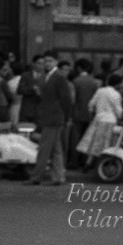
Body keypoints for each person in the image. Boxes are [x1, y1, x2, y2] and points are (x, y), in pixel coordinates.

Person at [23, 50, 71, 186]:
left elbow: (66, 99)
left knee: (44, 148)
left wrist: (66, 117)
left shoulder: (58, 77)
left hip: (54, 118)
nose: (47, 64)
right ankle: (58, 177)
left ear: (56, 62)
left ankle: (36, 177)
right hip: (51, 117)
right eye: (45, 61)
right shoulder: (48, 76)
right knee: (56, 149)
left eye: (50, 61)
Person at [76, 72, 123, 173]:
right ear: (118, 84)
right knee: (108, 145)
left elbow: (91, 104)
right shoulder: (116, 94)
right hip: (110, 121)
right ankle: (101, 165)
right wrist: (120, 118)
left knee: (95, 143)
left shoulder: (100, 91)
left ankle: (88, 163)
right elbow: (119, 111)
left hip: (98, 120)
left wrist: (93, 114)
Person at [67, 58, 99, 168]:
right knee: (88, 139)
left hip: (77, 113)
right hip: (90, 114)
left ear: (78, 68)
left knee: (75, 139)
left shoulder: (75, 81)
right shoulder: (94, 82)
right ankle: (86, 161)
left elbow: (72, 99)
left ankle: (74, 161)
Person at [18, 54, 45, 124]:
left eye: (43, 64)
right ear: (33, 63)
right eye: (39, 63)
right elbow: (19, 90)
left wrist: (40, 93)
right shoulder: (25, 75)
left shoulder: (46, 76)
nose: (41, 66)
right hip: (27, 109)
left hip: (40, 110)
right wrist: (32, 89)